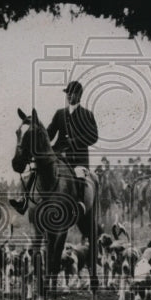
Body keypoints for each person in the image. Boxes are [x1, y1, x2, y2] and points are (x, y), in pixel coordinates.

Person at [10, 79, 99, 215]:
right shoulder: (60, 113)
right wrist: (37, 129)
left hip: (78, 157)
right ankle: (24, 200)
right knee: (37, 169)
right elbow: (49, 134)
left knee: (79, 173)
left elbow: (93, 137)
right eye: (67, 93)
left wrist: (74, 142)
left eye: (72, 93)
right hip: (58, 153)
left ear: (79, 96)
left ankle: (79, 203)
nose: (69, 96)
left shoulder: (87, 114)